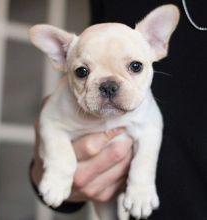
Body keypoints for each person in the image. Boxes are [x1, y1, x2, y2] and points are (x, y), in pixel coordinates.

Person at [30, 0, 207, 219]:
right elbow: (50, 122)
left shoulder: (145, 110)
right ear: (61, 55)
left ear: (157, 43)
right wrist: (58, 169)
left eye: (134, 67)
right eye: (83, 72)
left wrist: (141, 183)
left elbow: (150, 130)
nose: (109, 88)